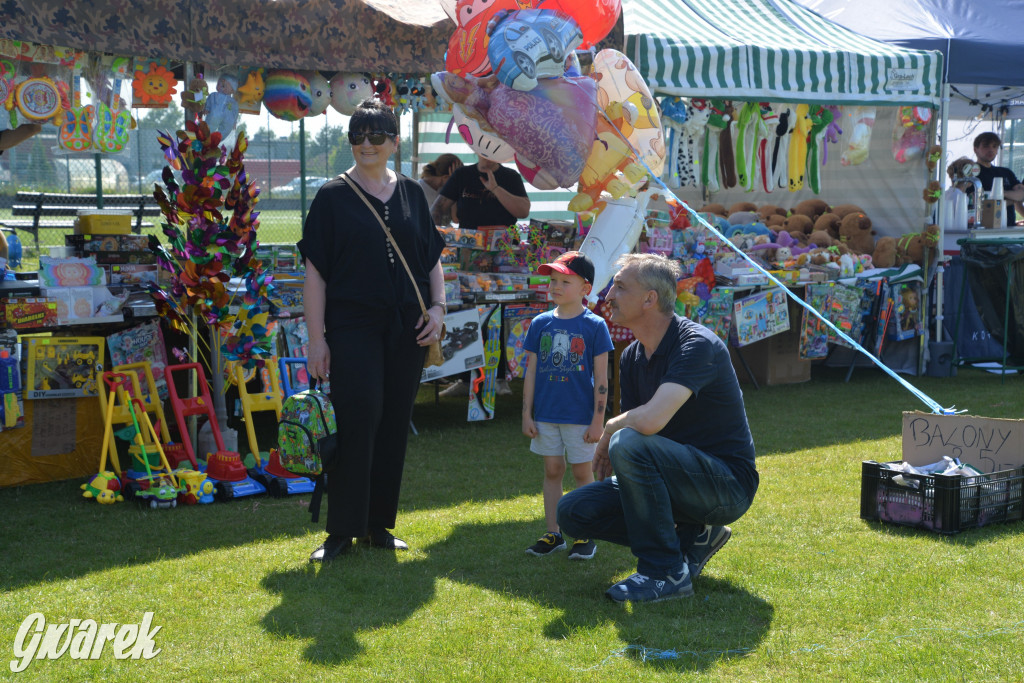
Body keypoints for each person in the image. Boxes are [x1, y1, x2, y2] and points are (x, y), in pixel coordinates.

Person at [557, 253, 758, 604]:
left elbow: (644, 424)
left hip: (726, 487)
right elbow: (643, 433)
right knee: (573, 512)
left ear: (650, 299)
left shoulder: (697, 345)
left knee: (628, 441)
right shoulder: (633, 356)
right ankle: (692, 540)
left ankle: (664, 572)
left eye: (620, 287)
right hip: (676, 480)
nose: (607, 295)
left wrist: (608, 430)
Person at [298, 98, 446, 563]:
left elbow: (433, 259)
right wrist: (317, 339)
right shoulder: (331, 197)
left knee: (393, 423)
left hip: (407, 327)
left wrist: (439, 308)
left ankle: (379, 524)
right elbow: (315, 275)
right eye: (358, 136)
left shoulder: (411, 194)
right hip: (352, 326)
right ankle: (342, 530)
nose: (367, 144)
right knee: (360, 416)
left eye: (377, 136)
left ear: (394, 143)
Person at [522, 252, 613, 561]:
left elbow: (602, 377)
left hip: (580, 416)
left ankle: (585, 534)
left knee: (582, 473)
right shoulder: (540, 323)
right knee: (552, 470)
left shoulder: (596, 325)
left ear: (586, 288)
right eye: (553, 280)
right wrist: (526, 414)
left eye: (565, 281)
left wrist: (598, 420)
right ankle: (554, 533)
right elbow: (532, 371)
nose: (556, 287)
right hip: (546, 415)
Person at [431, 155, 531, 397]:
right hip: (468, 259)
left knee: (498, 313)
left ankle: (498, 379)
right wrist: (435, 238)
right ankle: (467, 380)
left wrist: (495, 188)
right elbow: (440, 209)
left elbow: (523, 210)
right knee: (467, 314)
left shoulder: (509, 177)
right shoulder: (463, 175)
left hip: (503, 262)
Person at [973, 132, 1024, 225]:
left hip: (1009, 228)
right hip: (982, 229)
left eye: (994, 146)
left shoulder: (1006, 172)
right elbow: (977, 202)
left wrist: (999, 193)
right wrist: (1012, 199)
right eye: (986, 146)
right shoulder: (971, 174)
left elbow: (1021, 194)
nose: (991, 150)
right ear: (975, 149)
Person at [418, 153, 463, 217]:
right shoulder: (418, 189)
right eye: (455, 179)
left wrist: (454, 190)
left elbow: (455, 219)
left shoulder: (445, 188)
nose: (456, 183)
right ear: (445, 177)